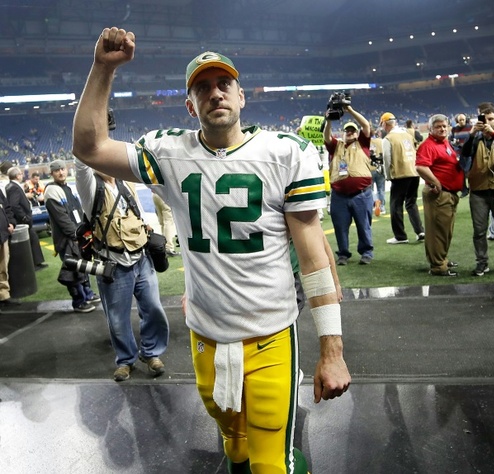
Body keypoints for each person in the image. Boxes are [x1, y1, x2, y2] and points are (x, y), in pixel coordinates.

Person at [72, 27, 350, 473]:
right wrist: (102, 67)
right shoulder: (169, 151)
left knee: (269, 461)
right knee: (233, 442)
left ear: (242, 97)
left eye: (224, 84)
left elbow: (315, 258)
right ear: (190, 105)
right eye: (202, 87)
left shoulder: (287, 152)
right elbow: (88, 147)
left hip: (271, 332)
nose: (214, 93)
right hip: (205, 335)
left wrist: (331, 351)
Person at [75, 159, 170, 382]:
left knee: (154, 308)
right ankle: (125, 359)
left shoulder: (126, 182)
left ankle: (151, 353)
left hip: (141, 258)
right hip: (113, 263)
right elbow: (81, 165)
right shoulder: (90, 188)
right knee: (117, 319)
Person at [461, 106, 494, 277]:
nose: (488, 122)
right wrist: (471, 135)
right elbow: (465, 154)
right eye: (484, 119)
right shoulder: (475, 139)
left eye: (491, 119)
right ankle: (481, 263)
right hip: (479, 191)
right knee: (479, 231)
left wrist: (493, 133)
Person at [44, 160, 101, 313]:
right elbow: (61, 218)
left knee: (82, 268)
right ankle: (79, 301)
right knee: (73, 271)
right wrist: (75, 235)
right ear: (52, 173)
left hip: (77, 236)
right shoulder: (51, 191)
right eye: (57, 171)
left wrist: (83, 232)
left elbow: (78, 212)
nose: (61, 172)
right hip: (67, 239)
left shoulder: (68, 188)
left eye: (62, 169)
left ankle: (88, 295)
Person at [415, 114, 464, 277]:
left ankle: (441, 258)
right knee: (438, 231)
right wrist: (436, 182)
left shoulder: (444, 142)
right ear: (430, 129)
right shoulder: (428, 145)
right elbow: (421, 167)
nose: (442, 129)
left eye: (444, 126)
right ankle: (437, 265)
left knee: (444, 230)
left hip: (448, 194)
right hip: (439, 195)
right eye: (438, 127)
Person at [324, 110, 374, 266]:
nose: (350, 133)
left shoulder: (363, 144)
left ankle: (366, 253)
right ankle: (343, 254)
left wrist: (349, 110)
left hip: (361, 193)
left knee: (364, 225)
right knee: (340, 226)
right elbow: (326, 135)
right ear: (343, 133)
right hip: (339, 195)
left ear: (357, 133)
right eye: (347, 131)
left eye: (353, 131)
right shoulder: (335, 146)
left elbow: (365, 124)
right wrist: (329, 120)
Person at [381, 112, 425, 244]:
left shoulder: (388, 139)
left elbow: (386, 158)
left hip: (400, 174)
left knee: (396, 205)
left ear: (384, 124)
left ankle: (400, 236)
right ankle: (420, 231)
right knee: (411, 203)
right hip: (414, 172)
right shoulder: (408, 134)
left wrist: (388, 175)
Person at [5, 167, 48, 271]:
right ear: (17, 176)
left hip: (23, 219)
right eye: (20, 174)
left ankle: (37, 262)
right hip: (22, 220)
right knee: (30, 240)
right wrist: (24, 217)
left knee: (33, 239)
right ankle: (34, 264)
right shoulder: (13, 187)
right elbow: (14, 205)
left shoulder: (12, 186)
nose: (22, 175)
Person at [0, 189, 18, 308]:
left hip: (2, 234)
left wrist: (11, 222)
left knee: (3, 267)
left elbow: (6, 207)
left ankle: (3, 295)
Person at [152, 191, 179, 256]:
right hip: (164, 194)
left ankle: (164, 245)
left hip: (154, 194)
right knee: (168, 222)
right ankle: (169, 247)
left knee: (162, 223)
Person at [370, 127, 386, 216]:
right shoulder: (381, 141)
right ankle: (382, 207)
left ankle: (376, 202)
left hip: (369, 168)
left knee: (370, 189)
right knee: (381, 189)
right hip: (380, 168)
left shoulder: (366, 142)